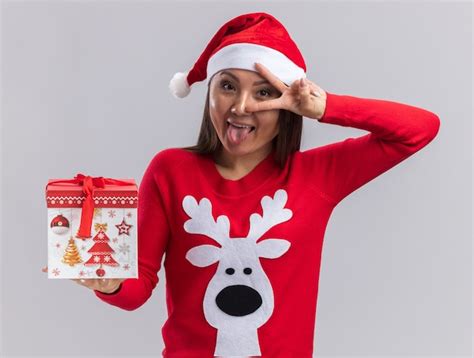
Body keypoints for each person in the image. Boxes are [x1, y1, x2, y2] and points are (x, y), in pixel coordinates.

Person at [42, 11, 440, 358]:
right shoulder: (170, 171)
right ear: (209, 91)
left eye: (264, 93)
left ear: (287, 104)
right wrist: (110, 284)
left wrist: (324, 107)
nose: (242, 106)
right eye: (228, 85)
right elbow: (138, 288)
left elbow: (420, 129)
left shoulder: (318, 175)